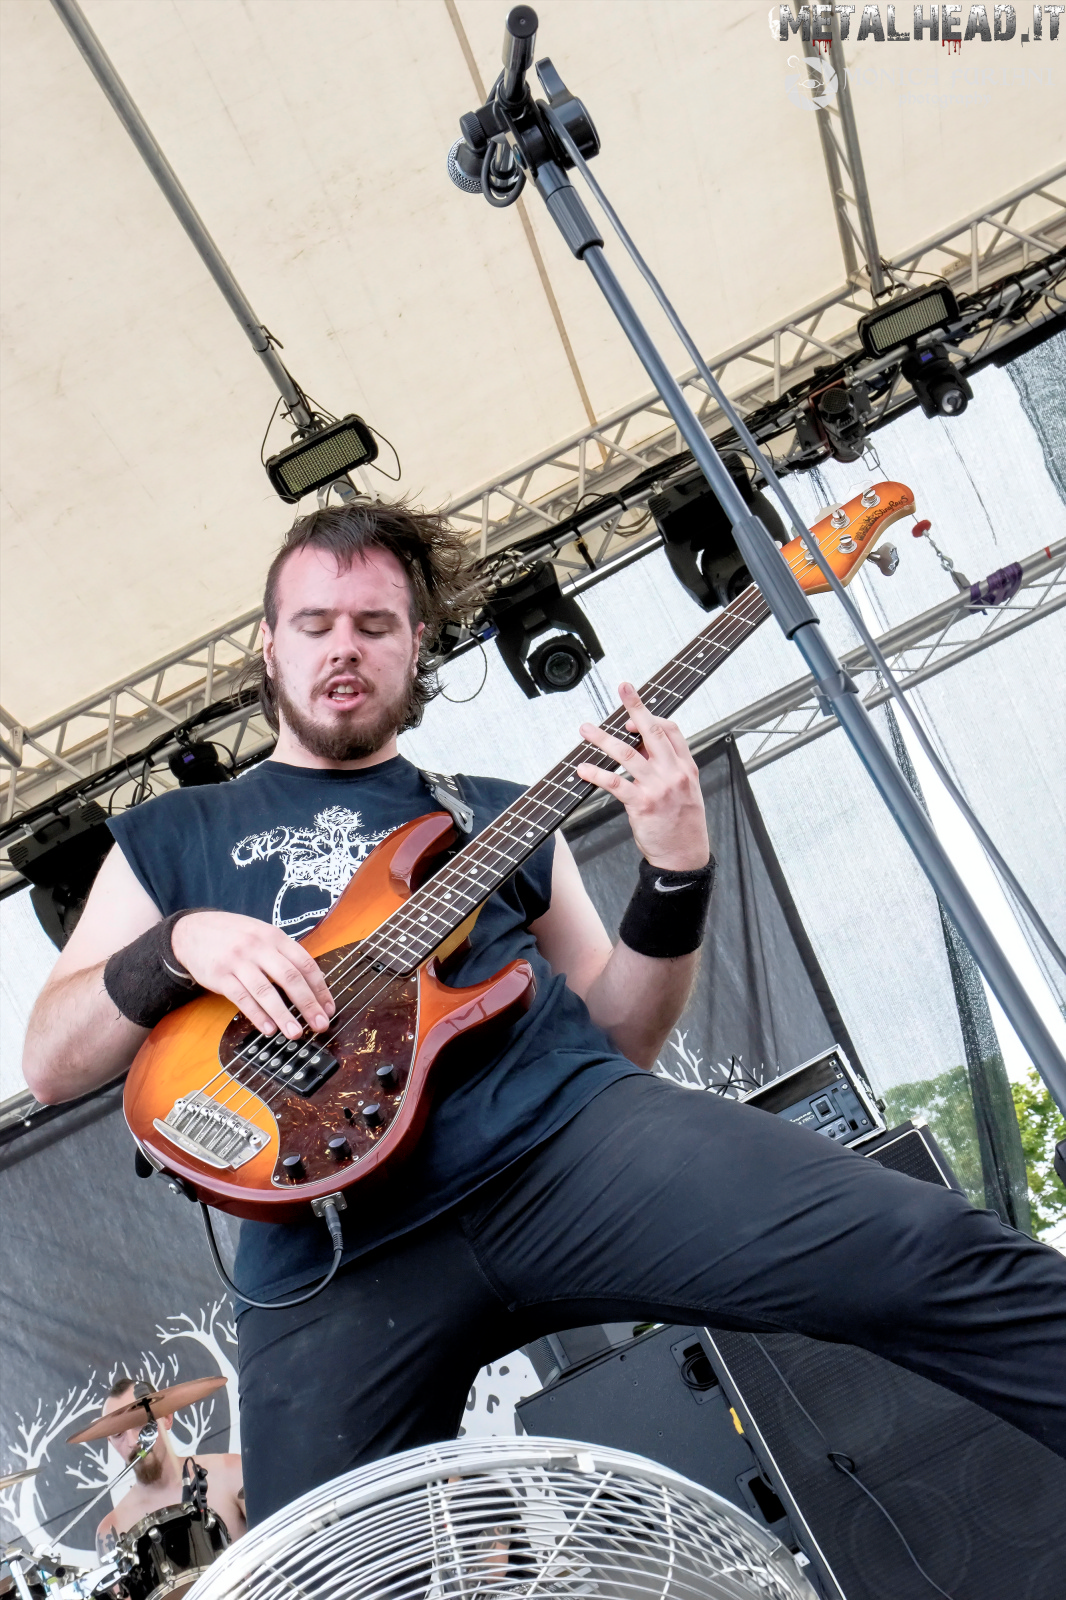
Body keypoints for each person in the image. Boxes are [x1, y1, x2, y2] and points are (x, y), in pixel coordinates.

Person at [23, 502, 1066, 1528]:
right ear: (269, 645)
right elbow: (52, 1061)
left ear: (416, 647)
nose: (344, 647)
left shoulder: (491, 810)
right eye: (316, 624)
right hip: (329, 1248)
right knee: (323, 1559)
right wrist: (177, 945)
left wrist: (675, 873)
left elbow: (624, 1035)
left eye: (375, 625)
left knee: (929, 1249)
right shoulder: (174, 833)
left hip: (564, 1148)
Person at [93, 1375, 245, 1557]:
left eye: (139, 1422)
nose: (132, 1442)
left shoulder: (231, 1472)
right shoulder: (112, 1530)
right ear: (110, 1442)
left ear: (166, 1417)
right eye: (118, 1434)